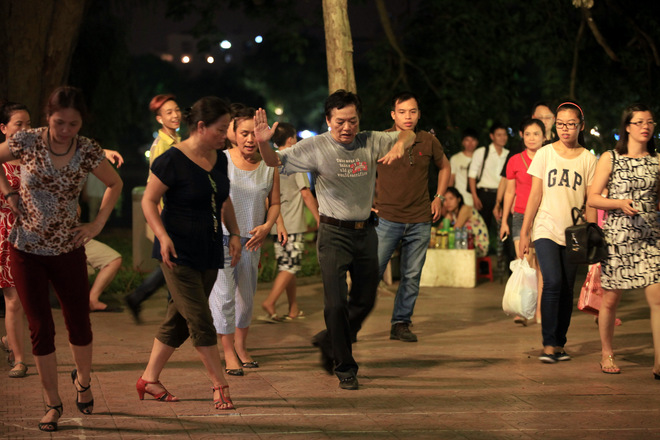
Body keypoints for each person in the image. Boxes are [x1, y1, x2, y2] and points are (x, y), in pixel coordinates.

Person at [254, 89, 415, 390]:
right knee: (335, 304)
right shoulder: (315, 147)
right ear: (328, 120)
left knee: (366, 299)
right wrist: (264, 143)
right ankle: (345, 366)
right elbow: (274, 161)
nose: (347, 128)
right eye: (340, 121)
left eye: (352, 121)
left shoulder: (369, 140)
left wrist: (401, 145)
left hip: (366, 231)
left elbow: (408, 135)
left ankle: (328, 340)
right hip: (333, 234)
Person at [0, 86, 123, 431]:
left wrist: (97, 223)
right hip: (25, 248)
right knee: (40, 327)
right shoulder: (26, 141)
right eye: (59, 122)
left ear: (81, 122)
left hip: (68, 248)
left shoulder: (86, 150)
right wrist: (8, 191)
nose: (65, 130)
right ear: (47, 117)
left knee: (78, 321)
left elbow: (115, 183)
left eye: (73, 123)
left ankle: (82, 381)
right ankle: (52, 401)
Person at [137, 96, 238, 411]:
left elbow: (223, 199)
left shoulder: (219, 158)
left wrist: (233, 232)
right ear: (201, 126)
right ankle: (220, 384)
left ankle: (149, 379)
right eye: (221, 130)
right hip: (176, 252)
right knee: (200, 319)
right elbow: (149, 201)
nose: (226, 136)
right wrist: (162, 236)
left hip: (208, 249)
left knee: (179, 318)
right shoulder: (172, 159)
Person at [519, 101, 597, 364]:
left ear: (581, 125)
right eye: (561, 123)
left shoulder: (588, 159)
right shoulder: (545, 154)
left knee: (566, 288)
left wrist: (592, 234)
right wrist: (525, 231)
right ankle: (549, 344)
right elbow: (535, 194)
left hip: (575, 234)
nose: (565, 129)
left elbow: (591, 200)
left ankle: (560, 343)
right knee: (552, 282)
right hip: (545, 227)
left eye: (570, 124)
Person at [587, 103, 660, 375]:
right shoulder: (611, 158)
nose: (646, 127)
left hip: (650, 239)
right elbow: (593, 198)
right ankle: (606, 353)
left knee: (658, 298)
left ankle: (659, 362)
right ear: (627, 126)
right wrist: (618, 203)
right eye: (640, 122)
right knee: (610, 300)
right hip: (618, 238)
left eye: (650, 122)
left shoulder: (657, 160)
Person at [209, 107, 280, 376]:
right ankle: (228, 353)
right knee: (224, 296)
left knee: (246, 299)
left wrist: (267, 226)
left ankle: (241, 347)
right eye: (244, 133)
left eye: (254, 134)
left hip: (252, 241)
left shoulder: (269, 165)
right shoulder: (220, 160)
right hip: (223, 239)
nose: (250, 139)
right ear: (234, 135)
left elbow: (274, 203)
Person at [374, 91, 450, 342]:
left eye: (413, 111)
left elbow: (444, 167)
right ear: (393, 114)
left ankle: (401, 323)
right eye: (402, 112)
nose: (408, 117)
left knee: (411, 274)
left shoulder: (428, 140)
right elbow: (363, 171)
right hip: (387, 217)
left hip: (420, 219)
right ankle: (351, 323)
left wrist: (438, 197)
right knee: (371, 272)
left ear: (419, 114)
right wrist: (367, 203)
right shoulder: (381, 139)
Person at [125, 94, 181, 323]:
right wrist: (160, 222)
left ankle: (138, 298)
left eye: (176, 110)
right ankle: (174, 318)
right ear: (159, 119)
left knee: (172, 267)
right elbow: (153, 186)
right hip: (167, 213)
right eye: (168, 112)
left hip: (175, 211)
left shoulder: (176, 140)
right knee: (174, 265)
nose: (175, 115)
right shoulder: (161, 146)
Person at [261, 122, 319, 322]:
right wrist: (320, 219)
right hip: (293, 223)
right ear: (290, 140)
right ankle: (270, 301)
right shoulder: (295, 160)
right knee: (291, 266)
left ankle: (293, 309)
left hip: (277, 222)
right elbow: (306, 194)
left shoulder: (270, 160)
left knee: (287, 266)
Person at [500, 119, 546, 325]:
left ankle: (539, 311)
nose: (532, 138)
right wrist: (504, 221)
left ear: (544, 137)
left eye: (536, 134)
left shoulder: (549, 158)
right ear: (522, 136)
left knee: (541, 267)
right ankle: (523, 307)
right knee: (525, 261)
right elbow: (510, 191)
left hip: (544, 215)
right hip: (519, 216)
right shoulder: (514, 161)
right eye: (528, 134)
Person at [0, 101, 30, 379]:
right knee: (14, 300)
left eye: (28, 124)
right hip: (6, 235)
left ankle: (12, 341)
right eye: (18, 123)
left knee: (27, 298)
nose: (24, 129)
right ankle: (19, 359)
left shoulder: (34, 157)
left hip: (33, 236)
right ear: (4, 128)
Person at [468, 122, 509, 236]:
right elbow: (472, 175)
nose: (502, 137)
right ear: (492, 136)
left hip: (502, 195)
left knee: (503, 224)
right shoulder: (481, 152)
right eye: (499, 135)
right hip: (484, 194)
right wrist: (475, 197)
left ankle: (504, 253)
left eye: (504, 134)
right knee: (482, 226)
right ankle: (481, 252)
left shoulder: (509, 154)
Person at [442, 187, 489, 258]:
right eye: (445, 200)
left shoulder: (466, 209)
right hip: (464, 245)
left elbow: (456, 229)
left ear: (459, 199)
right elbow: (440, 228)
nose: (448, 202)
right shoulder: (452, 214)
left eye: (451, 198)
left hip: (477, 247)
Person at [85, 239, 123, 312]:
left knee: (112, 259)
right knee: (112, 260)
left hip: (72, 236)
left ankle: (91, 300)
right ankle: (90, 300)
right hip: (66, 238)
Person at [449, 128, 478, 206]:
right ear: (462, 142)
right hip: (461, 200)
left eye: (473, 140)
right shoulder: (455, 159)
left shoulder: (481, 158)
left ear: (477, 142)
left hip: (478, 200)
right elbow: (451, 181)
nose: (470, 143)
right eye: (467, 140)